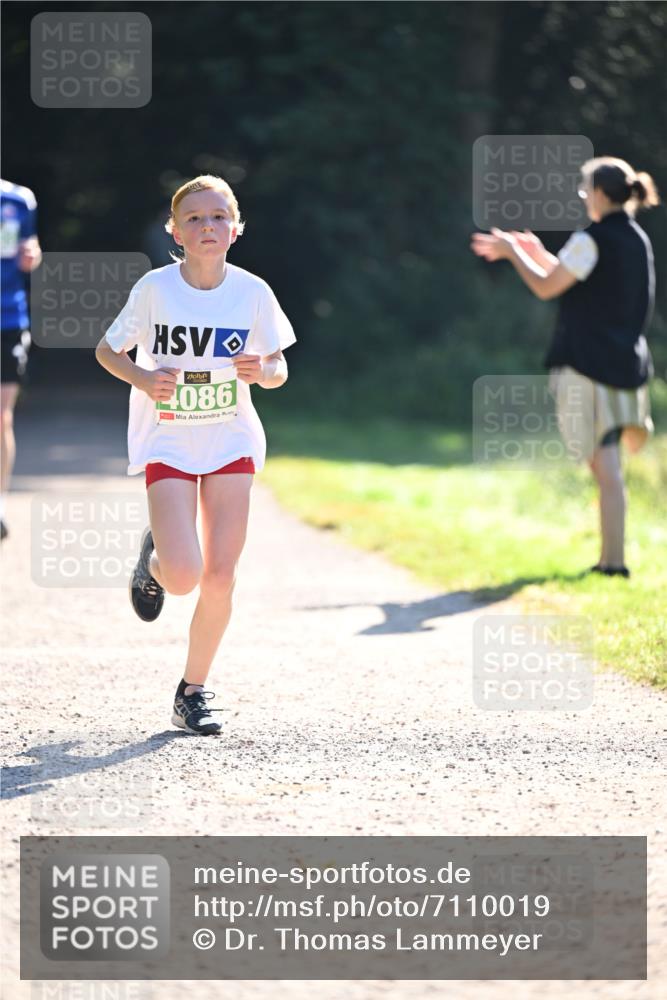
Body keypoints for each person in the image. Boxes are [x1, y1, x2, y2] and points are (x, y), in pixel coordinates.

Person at [95, 175, 296, 734]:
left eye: (217, 217)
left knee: (221, 577)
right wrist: (143, 378)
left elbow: (278, 367)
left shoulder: (253, 292)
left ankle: (194, 690)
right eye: (194, 219)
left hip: (230, 438)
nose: (207, 227)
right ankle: (154, 560)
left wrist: (267, 372)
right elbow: (108, 350)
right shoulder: (156, 289)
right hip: (170, 439)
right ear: (175, 232)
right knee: (183, 577)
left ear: (235, 228)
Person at [471, 156, 660, 578]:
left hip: (588, 367)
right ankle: (613, 560)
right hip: (627, 366)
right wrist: (535, 251)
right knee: (609, 464)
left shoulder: (590, 238)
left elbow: (545, 286)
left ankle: (613, 563)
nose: (581, 195)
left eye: (584, 188)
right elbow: (571, 273)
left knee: (605, 466)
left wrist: (513, 253)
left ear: (598, 193)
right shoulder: (636, 239)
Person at [1, 179, 42, 541]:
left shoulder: (18, 199)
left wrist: (32, 255)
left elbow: (32, 249)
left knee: (1, 415)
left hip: (8, 319)